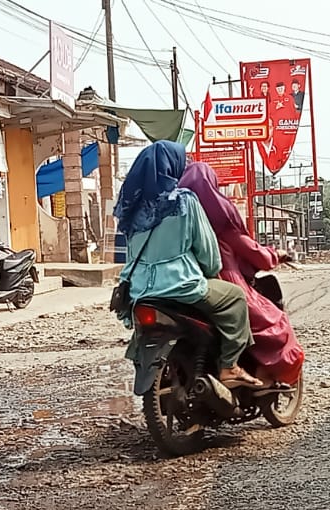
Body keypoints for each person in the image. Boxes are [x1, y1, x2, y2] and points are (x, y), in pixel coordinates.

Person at [116, 141, 260, 389]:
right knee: (235, 298)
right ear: (172, 167)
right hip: (181, 285)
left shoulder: (129, 208)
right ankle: (229, 366)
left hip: (140, 290)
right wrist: (211, 273)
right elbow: (208, 252)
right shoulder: (184, 201)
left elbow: (127, 253)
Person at [179, 162, 305, 387]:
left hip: (180, 283)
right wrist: (277, 254)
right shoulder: (222, 221)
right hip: (224, 281)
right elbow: (257, 255)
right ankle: (263, 378)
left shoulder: (176, 216)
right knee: (276, 323)